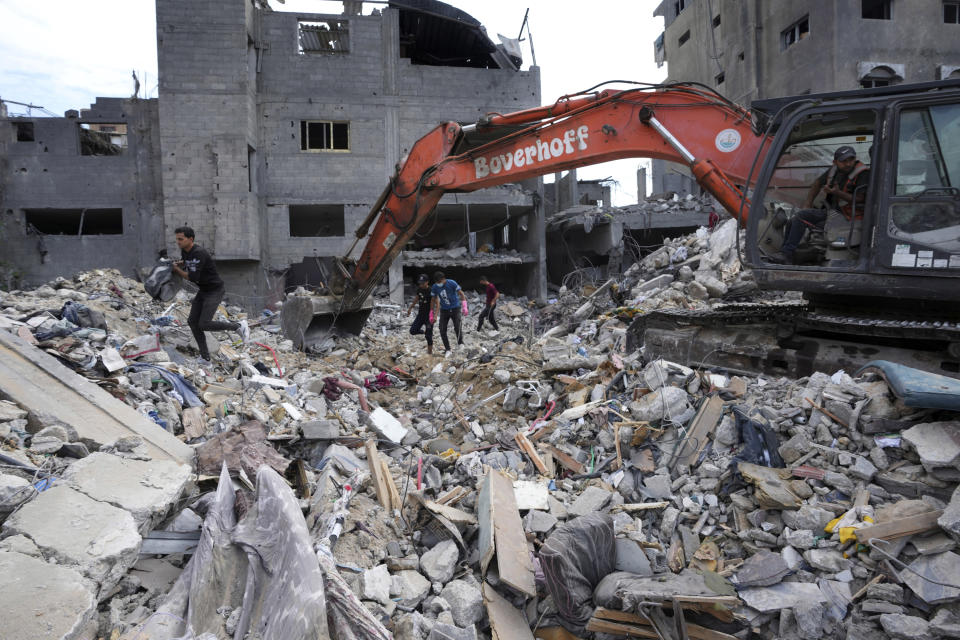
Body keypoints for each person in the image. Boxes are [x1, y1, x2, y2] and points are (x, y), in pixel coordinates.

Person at [774, 145, 870, 264]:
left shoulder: (862, 173)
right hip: (832, 213)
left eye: (851, 160)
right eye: (844, 161)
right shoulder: (834, 170)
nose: (848, 163)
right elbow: (817, 183)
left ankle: (787, 253)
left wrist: (837, 193)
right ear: (835, 162)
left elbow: (860, 199)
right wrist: (808, 203)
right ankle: (785, 253)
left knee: (801, 217)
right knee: (792, 220)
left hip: (848, 216)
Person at [172, 226, 248, 363]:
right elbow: (188, 262)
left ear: (191, 239)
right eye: (177, 239)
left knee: (204, 323)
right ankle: (205, 358)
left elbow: (193, 277)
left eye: (181, 239)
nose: (178, 242)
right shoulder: (185, 251)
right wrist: (180, 263)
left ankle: (237, 326)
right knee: (192, 322)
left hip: (214, 290)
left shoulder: (199, 253)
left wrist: (176, 270)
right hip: (204, 290)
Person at [430, 270, 466, 352]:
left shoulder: (452, 283)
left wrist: (464, 306)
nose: (438, 283)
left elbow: (461, 293)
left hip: (455, 308)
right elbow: (433, 300)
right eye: (437, 282)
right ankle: (448, 349)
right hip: (444, 310)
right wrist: (431, 312)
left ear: (444, 279)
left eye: (440, 281)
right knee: (442, 329)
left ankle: (460, 343)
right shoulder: (435, 287)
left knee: (457, 327)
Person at [407, 273, 434, 354]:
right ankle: (423, 332)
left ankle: (429, 353)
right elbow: (417, 298)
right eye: (420, 283)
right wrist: (410, 308)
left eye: (423, 283)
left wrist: (435, 315)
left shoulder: (431, 290)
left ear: (427, 282)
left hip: (429, 316)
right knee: (412, 331)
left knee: (428, 336)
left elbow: (436, 302)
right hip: (420, 315)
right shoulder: (419, 289)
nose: (421, 284)